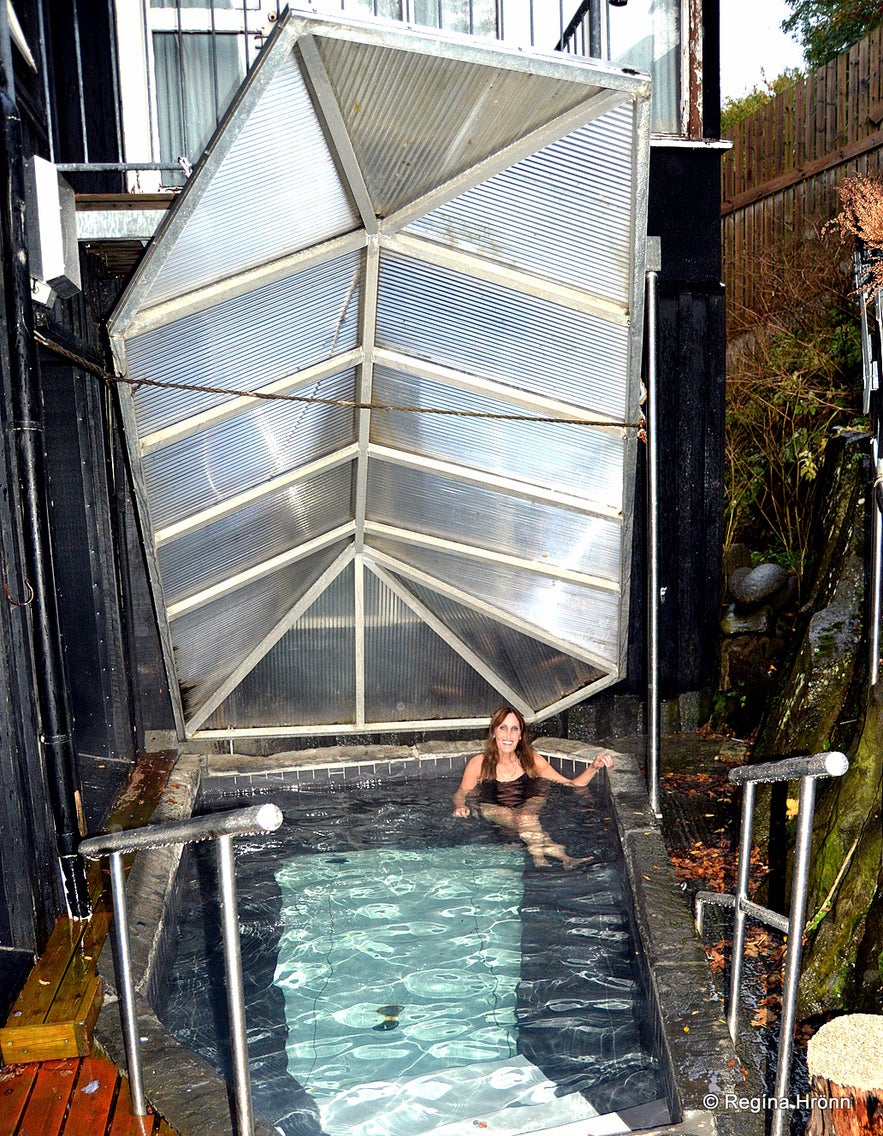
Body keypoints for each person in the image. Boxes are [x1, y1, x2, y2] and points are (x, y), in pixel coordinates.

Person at [451, 706, 612, 868]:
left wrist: (594, 767)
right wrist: (460, 806)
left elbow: (571, 784)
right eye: (503, 728)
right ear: (493, 733)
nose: (508, 735)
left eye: (514, 729)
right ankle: (559, 858)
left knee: (526, 817)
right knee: (526, 819)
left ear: (520, 735)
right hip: (492, 805)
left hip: (530, 801)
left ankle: (541, 861)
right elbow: (462, 793)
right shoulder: (479, 763)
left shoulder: (532, 760)